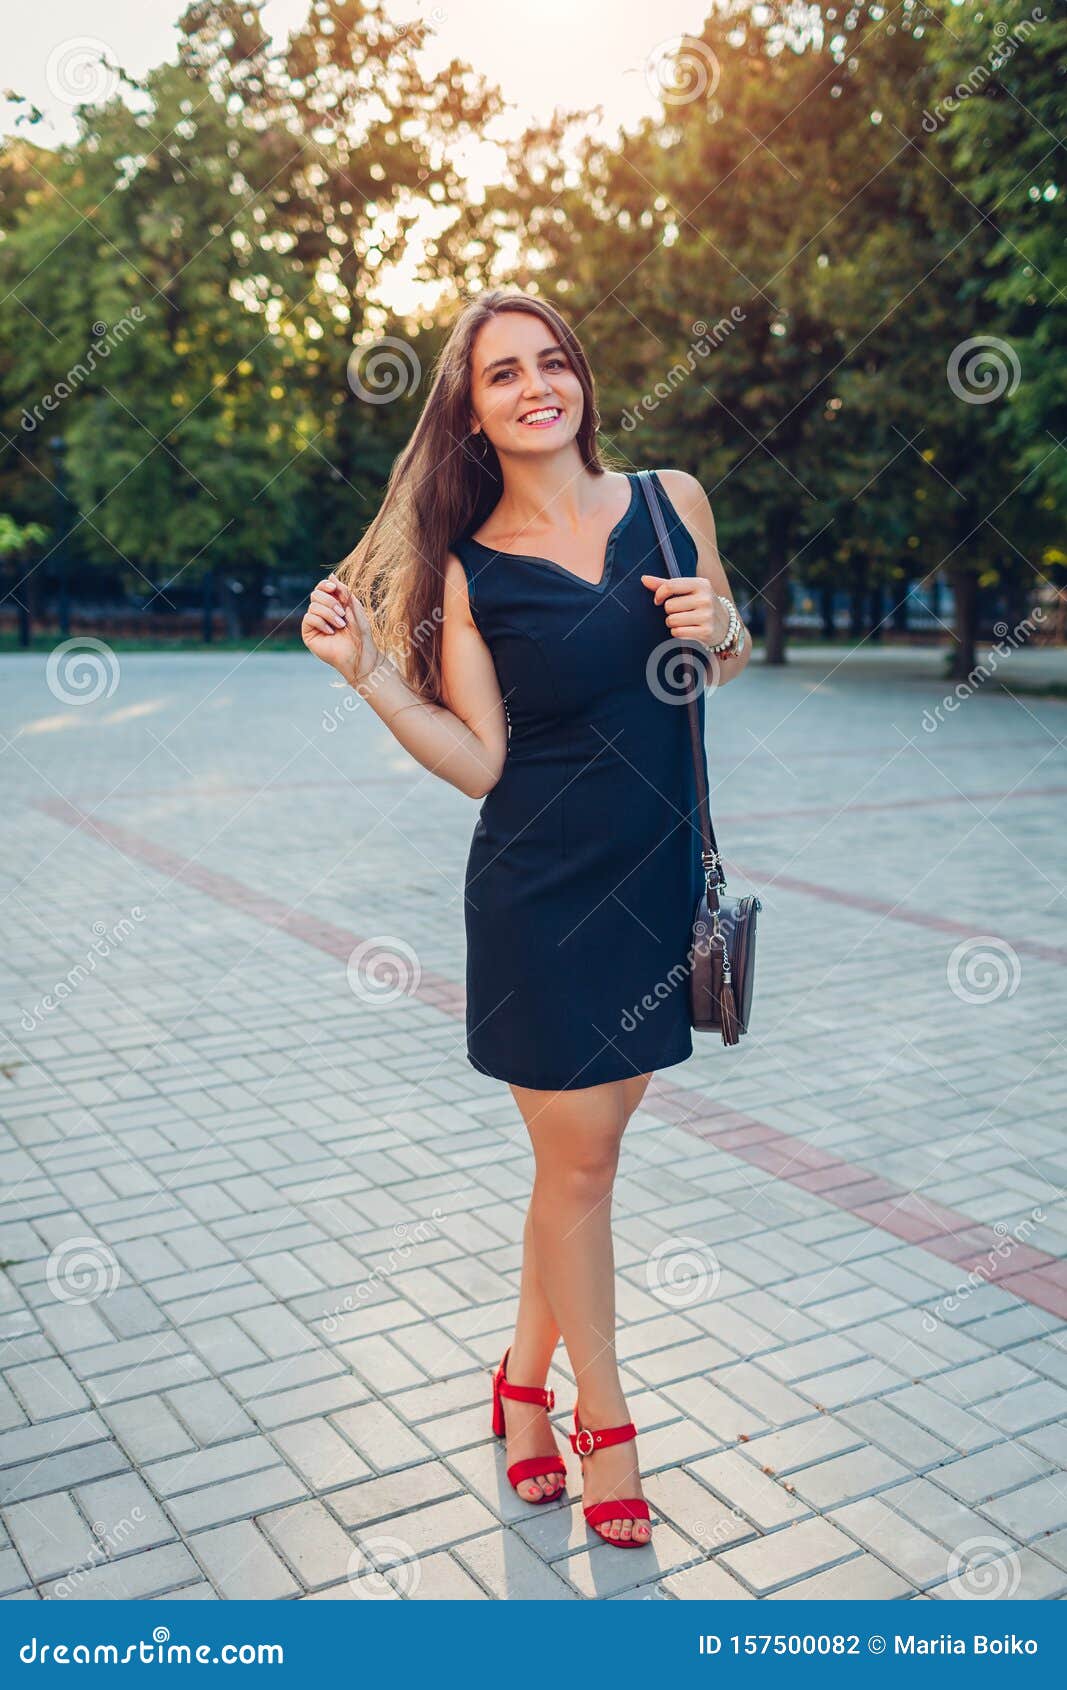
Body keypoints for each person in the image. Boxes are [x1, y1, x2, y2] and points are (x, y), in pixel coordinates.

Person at [302, 288, 750, 1550]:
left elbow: (719, 656)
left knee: (577, 1171)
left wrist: (726, 627)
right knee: (584, 1168)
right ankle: (598, 1422)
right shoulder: (466, 562)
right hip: (538, 897)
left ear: (581, 381)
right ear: (473, 409)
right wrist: (371, 676)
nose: (534, 385)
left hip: (656, 880)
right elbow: (482, 759)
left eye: (552, 361)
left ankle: (513, 1381)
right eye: (503, 374)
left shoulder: (671, 500)